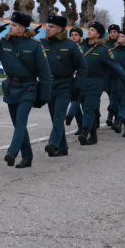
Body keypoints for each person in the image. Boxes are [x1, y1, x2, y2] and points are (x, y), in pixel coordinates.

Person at [0, 11, 51, 168]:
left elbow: (45, 73)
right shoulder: (4, 44)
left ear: (23, 28)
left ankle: (12, 152)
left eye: (14, 25)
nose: (10, 27)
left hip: (28, 88)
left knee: (20, 121)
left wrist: (45, 95)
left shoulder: (34, 46)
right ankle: (27, 156)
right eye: (11, 24)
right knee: (17, 124)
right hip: (11, 87)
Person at [77, 22, 125, 146]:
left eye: (92, 30)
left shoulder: (103, 50)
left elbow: (117, 67)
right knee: (85, 107)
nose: (89, 31)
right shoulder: (81, 47)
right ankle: (94, 135)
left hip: (95, 83)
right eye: (89, 29)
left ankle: (84, 132)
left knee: (88, 109)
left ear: (98, 34)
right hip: (81, 82)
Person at [41, 15, 87, 157]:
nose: (48, 28)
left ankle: (53, 144)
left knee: (59, 115)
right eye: (48, 25)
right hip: (50, 84)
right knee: (53, 116)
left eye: (52, 26)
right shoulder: (42, 44)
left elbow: (82, 67)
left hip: (65, 85)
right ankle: (63, 148)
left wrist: (77, 87)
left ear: (60, 29)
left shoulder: (71, 46)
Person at [65, 27, 85, 134]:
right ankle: (80, 125)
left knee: (77, 101)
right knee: (74, 101)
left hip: (81, 78)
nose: (73, 36)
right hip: (70, 77)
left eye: (76, 35)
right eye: (72, 34)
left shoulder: (84, 47)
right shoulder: (68, 47)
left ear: (80, 37)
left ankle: (69, 115)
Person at [104, 24, 121, 127]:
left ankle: (112, 115)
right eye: (111, 32)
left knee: (116, 97)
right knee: (112, 96)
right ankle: (113, 114)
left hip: (118, 75)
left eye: (114, 32)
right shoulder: (106, 44)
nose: (112, 34)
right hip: (108, 75)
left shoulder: (120, 44)